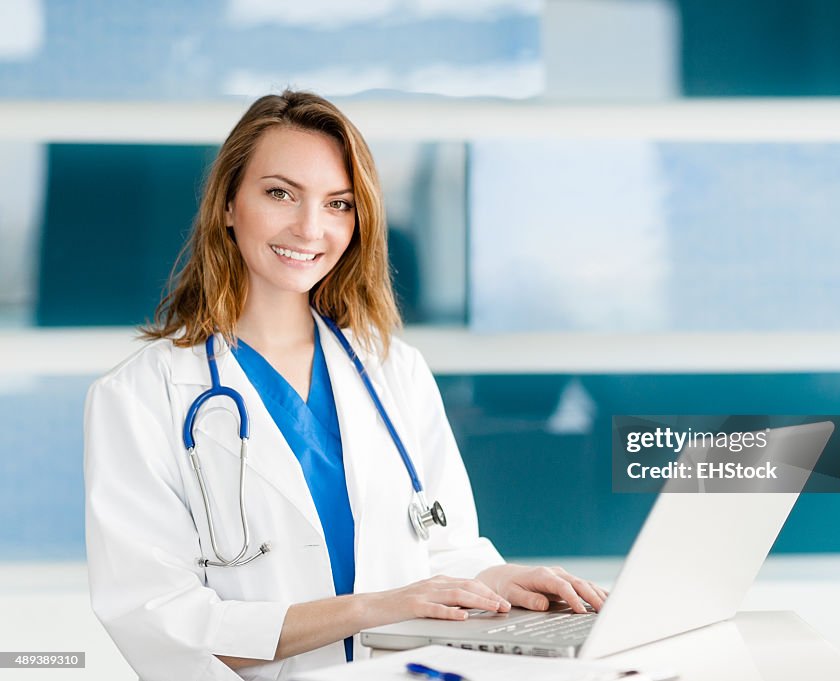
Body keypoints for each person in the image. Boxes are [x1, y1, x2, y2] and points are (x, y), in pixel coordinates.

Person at [83, 90, 607, 681]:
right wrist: (369, 610)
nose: (310, 228)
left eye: (338, 203)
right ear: (228, 203)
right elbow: (161, 623)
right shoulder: (140, 397)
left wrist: (495, 581)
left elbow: (444, 549)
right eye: (280, 193)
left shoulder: (393, 371)